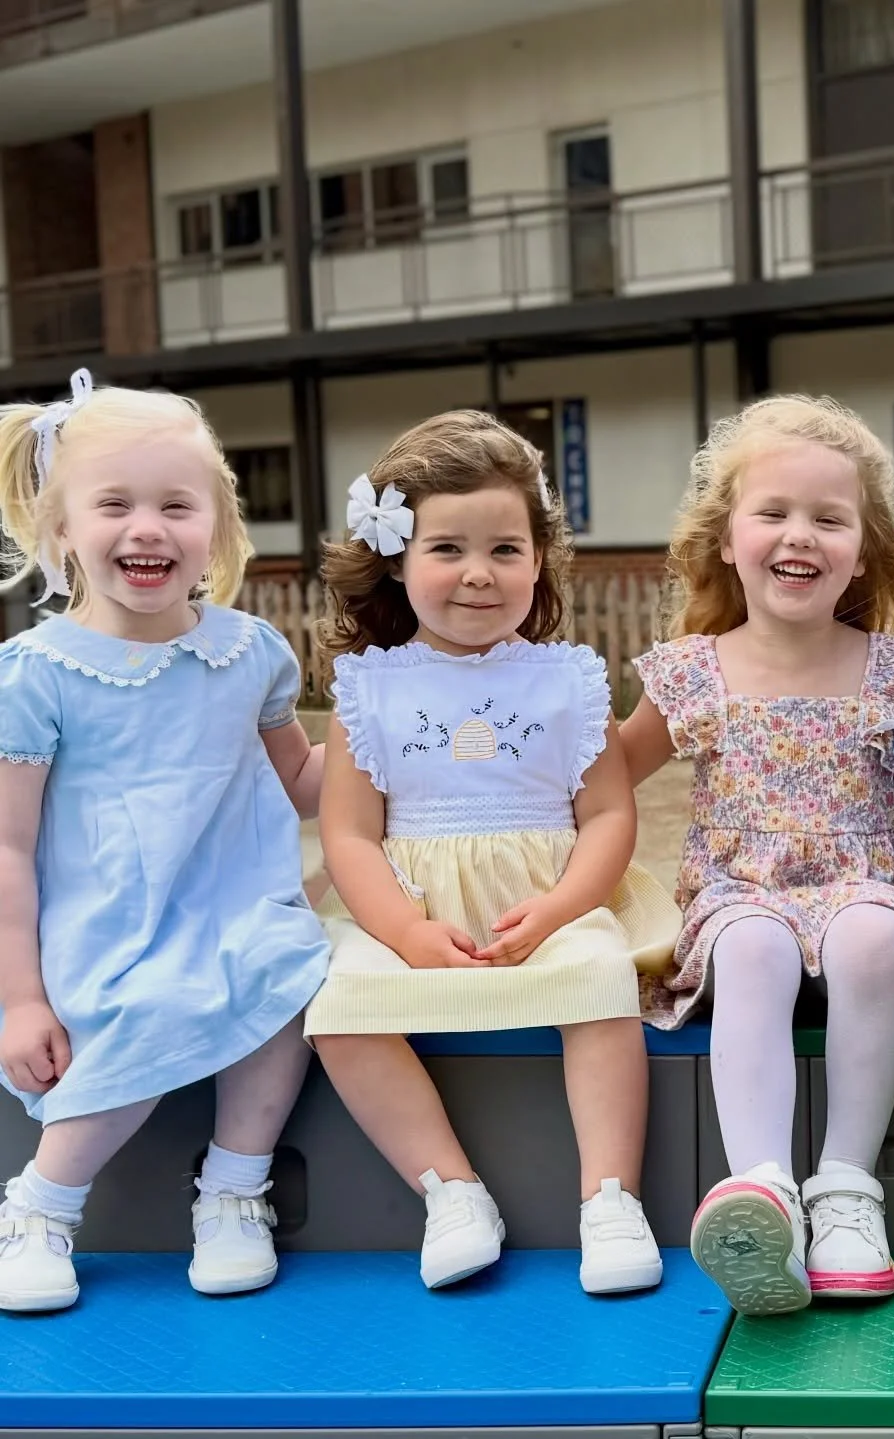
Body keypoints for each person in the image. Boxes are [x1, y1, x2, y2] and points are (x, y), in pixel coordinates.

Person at [306, 410, 679, 1295]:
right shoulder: (370, 686)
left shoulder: (569, 679)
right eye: (448, 549)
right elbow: (349, 832)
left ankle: (610, 1196)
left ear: (539, 559)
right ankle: (452, 1189)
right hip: (410, 904)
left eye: (506, 548)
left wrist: (560, 907)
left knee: (599, 982)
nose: (479, 573)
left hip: (550, 897)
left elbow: (608, 817)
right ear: (397, 558)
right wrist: (401, 929)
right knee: (337, 1011)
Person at [0, 371, 328, 1312]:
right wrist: (21, 998)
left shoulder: (247, 652)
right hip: (107, 922)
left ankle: (234, 1184)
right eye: (114, 505)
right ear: (61, 531)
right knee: (143, 1003)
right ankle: (42, 1203)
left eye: (177, 506)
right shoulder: (38, 674)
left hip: (236, 904)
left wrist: (403, 744)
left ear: (216, 532)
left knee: (292, 978)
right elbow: (9, 848)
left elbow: (301, 782)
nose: (147, 528)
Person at [621, 395, 894, 1316]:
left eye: (828, 518)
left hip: (862, 886)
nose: (799, 535)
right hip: (739, 894)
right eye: (773, 512)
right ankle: (760, 1190)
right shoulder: (696, 669)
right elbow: (607, 777)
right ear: (726, 538)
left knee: (876, 940)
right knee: (754, 949)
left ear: (862, 548)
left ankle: (845, 1188)